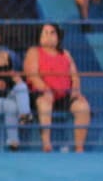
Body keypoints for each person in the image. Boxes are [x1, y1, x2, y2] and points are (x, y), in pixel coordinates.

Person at [23, 21, 90, 152]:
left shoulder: (65, 54)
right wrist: (47, 90)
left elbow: (75, 76)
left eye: (52, 33)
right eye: (45, 33)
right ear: (39, 36)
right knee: (45, 102)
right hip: (41, 93)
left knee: (83, 106)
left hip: (63, 95)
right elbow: (32, 75)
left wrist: (76, 91)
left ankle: (79, 147)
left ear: (58, 36)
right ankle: (47, 144)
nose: (49, 36)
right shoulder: (34, 51)